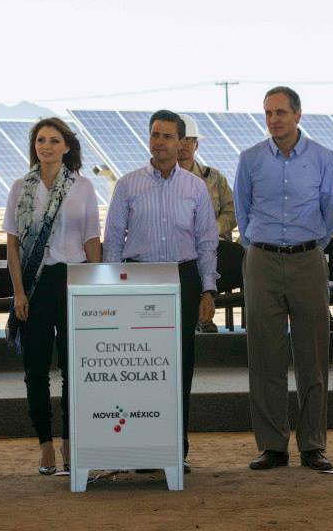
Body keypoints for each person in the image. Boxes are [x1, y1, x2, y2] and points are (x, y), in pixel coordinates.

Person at [104, 109, 218, 473]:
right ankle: (140, 448)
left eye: (168, 136)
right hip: (138, 281)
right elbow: (113, 242)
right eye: (155, 134)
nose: (160, 142)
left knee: (178, 367)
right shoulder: (127, 185)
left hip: (183, 280)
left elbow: (207, 242)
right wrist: (113, 288)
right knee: (139, 368)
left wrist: (208, 289)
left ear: (181, 142)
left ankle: (174, 451)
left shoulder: (196, 187)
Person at [233, 86, 333, 472]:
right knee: (265, 357)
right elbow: (242, 211)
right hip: (261, 260)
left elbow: (331, 212)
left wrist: (310, 246)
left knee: (313, 357)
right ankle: (272, 446)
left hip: (308, 259)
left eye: (280, 112)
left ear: (298, 115)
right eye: (268, 112)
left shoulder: (323, 157)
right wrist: (258, 246)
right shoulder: (250, 159)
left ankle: (313, 445)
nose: (274, 119)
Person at [4, 118, 101, 475]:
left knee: (74, 369)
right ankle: (44, 444)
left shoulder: (83, 187)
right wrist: (18, 292)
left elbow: (92, 239)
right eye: (41, 140)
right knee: (36, 369)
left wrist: (94, 286)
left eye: (54, 140)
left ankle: (70, 441)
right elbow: (12, 245)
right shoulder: (20, 187)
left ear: (67, 146)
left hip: (72, 279)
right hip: (34, 284)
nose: (46, 146)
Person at [177, 114, 235, 333]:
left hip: (213, 247)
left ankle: (204, 315)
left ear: (197, 145)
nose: (184, 145)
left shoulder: (214, 178)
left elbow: (232, 211)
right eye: (180, 139)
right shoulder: (161, 179)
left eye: (189, 140)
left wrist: (214, 229)